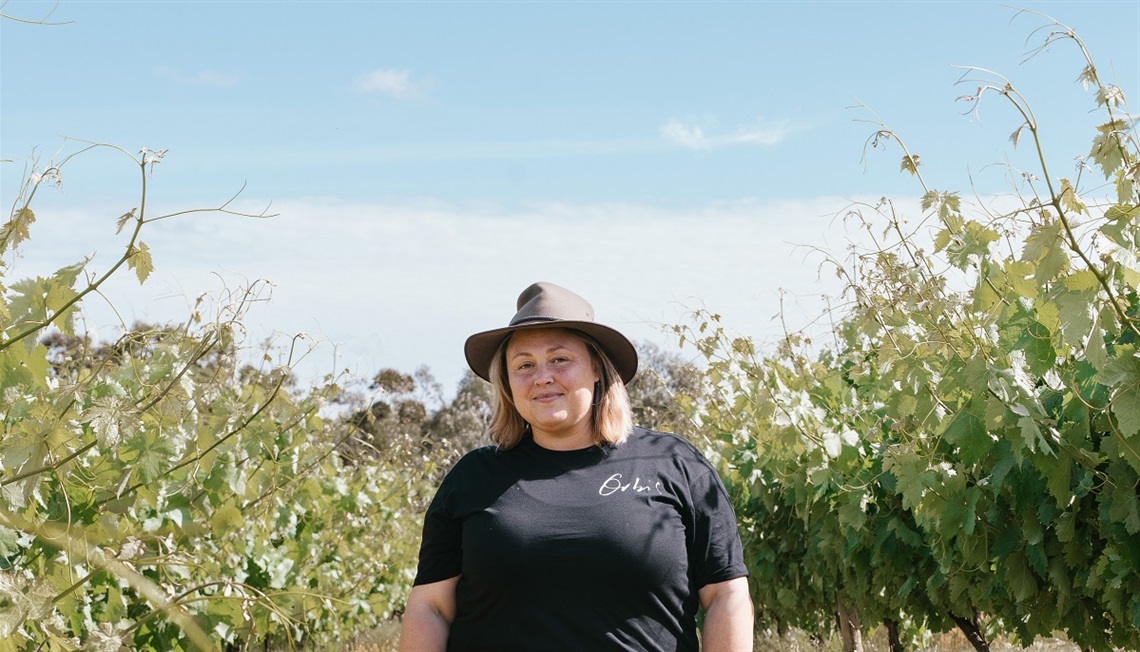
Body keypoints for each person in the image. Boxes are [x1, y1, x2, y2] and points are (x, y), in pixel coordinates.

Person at [398, 282, 753, 651]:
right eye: (524, 365)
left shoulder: (676, 465)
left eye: (560, 359)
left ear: (597, 368)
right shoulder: (472, 478)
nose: (542, 376)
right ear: (507, 381)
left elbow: (727, 596)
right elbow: (432, 608)